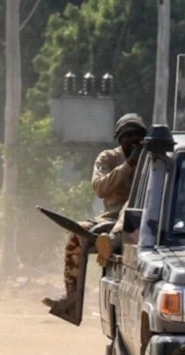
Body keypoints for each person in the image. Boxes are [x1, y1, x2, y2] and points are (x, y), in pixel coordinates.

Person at [42, 113, 147, 308]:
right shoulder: (108, 157)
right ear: (120, 138)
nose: (133, 139)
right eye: (128, 135)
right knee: (76, 232)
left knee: (132, 203)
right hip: (110, 219)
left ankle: (111, 242)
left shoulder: (151, 159)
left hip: (143, 220)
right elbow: (100, 188)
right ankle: (71, 297)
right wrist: (128, 165)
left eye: (138, 135)